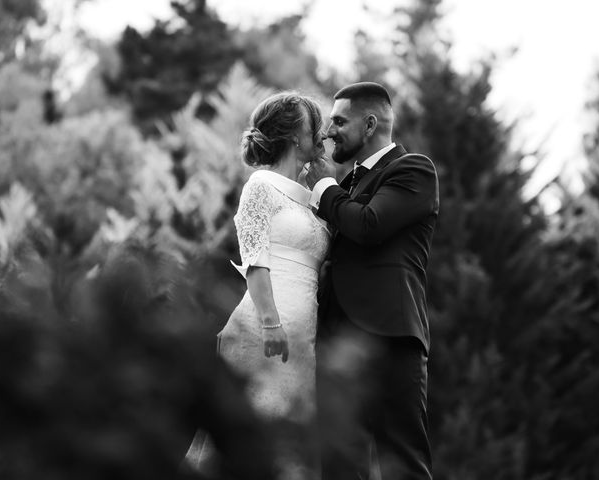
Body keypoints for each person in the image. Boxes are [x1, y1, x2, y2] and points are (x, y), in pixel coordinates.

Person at [186, 92, 330, 480]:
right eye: (313, 123)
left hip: (304, 336)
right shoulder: (260, 186)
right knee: (254, 435)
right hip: (267, 329)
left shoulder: (313, 196)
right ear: (294, 135)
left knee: (289, 442)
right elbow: (255, 259)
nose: (322, 130)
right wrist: (270, 323)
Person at [306, 82, 439, 480]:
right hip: (335, 343)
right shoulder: (346, 186)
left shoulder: (413, 169)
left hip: (390, 339)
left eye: (339, 121)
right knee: (339, 465)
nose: (329, 132)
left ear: (369, 124)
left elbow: (369, 225)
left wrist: (324, 187)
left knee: (402, 462)